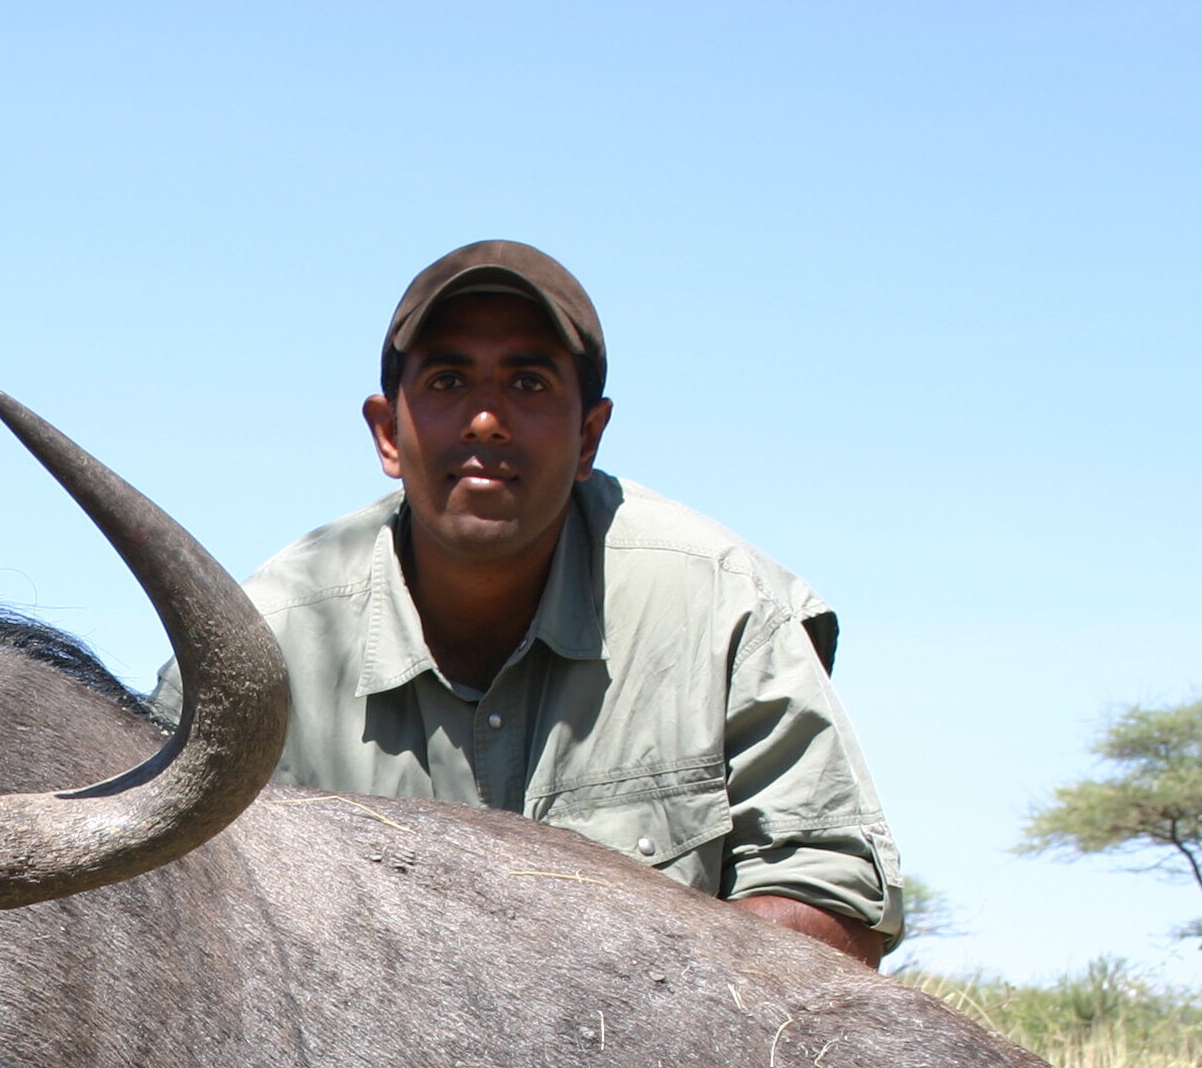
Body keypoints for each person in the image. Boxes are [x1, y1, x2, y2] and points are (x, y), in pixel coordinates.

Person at [159, 240, 902, 966]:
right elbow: (160, 903)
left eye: (529, 384)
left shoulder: (721, 603)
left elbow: (835, 905)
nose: (487, 419)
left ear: (589, 435)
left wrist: (591, 1004)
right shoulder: (260, 641)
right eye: (448, 382)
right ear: (388, 432)